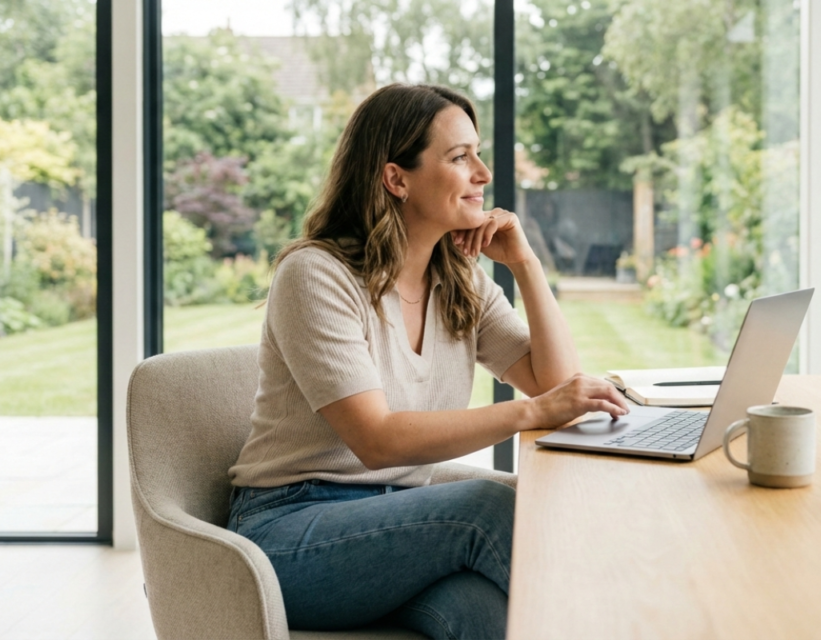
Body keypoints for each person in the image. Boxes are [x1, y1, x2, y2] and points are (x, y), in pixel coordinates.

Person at [227, 83, 631, 639]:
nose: (483, 174)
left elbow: (553, 385)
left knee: (484, 616)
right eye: (460, 157)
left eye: (477, 154)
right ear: (397, 178)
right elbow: (377, 440)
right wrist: (531, 413)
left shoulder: (459, 279)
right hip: (291, 533)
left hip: (405, 522)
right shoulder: (316, 275)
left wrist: (526, 263)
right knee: (489, 507)